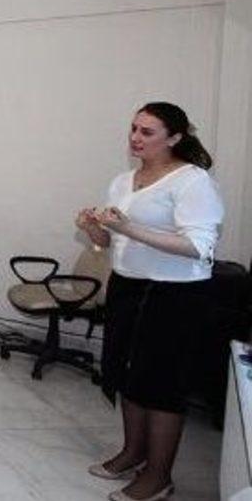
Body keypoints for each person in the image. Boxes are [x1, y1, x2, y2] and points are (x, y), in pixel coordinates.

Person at [78, 102, 224, 501]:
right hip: (128, 286)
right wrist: (94, 229)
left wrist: (130, 228)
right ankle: (132, 453)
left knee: (161, 385)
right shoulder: (123, 181)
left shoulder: (192, 182)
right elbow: (110, 241)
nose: (135, 138)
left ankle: (158, 476)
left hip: (174, 294)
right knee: (127, 373)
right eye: (133, 129)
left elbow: (199, 246)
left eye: (147, 132)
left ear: (174, 138)